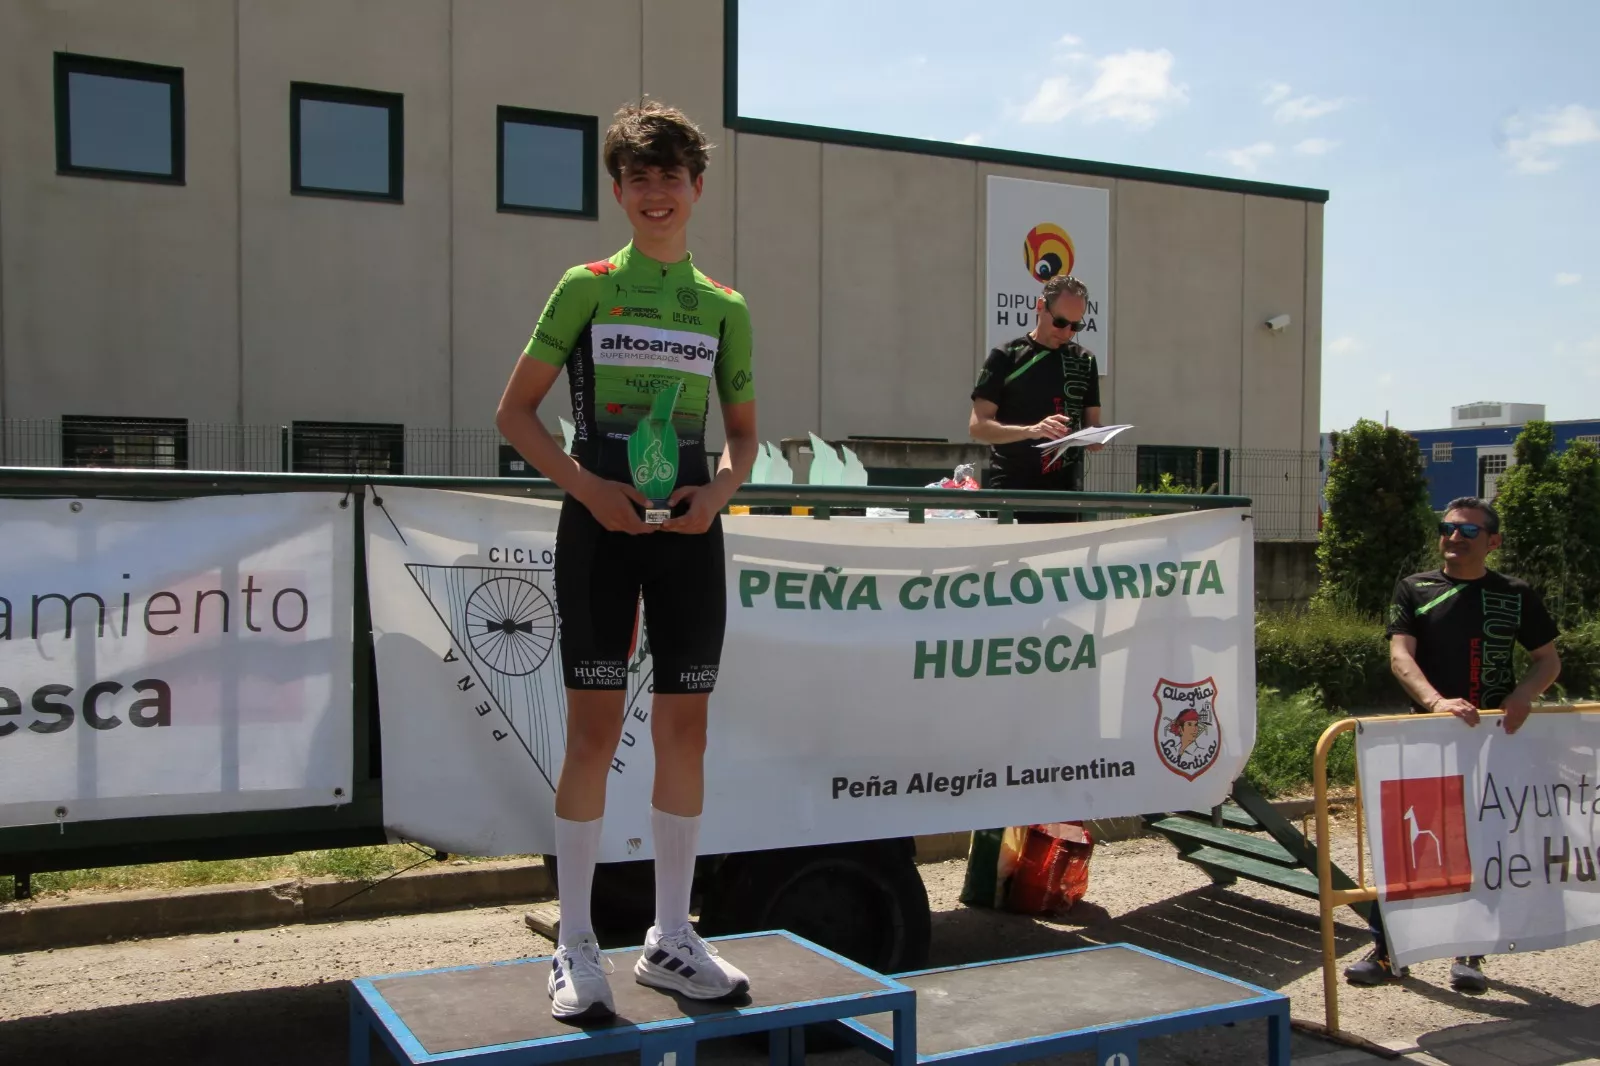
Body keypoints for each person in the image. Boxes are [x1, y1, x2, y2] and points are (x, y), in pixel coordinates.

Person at [495, 99, 759, 1022]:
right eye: (638, 178)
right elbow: (515, 413)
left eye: (670, 177)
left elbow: (743, 435)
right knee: (593, 738)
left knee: (687, 734)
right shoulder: (587, 286)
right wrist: (586, 486)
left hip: (689, 537)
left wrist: (716, 495)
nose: (656, 193)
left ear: (697, 188)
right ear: (618, 190)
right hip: (598, 529)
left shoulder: (724, 306)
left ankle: (670, 938)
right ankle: (574, 943)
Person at [1344, 496, 1561, 993]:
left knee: (1485, 844)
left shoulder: (1515, 593)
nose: (1454, 537)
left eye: (1468, 531)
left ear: (1493, 541)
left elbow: (1548, 660)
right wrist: (1436, 702)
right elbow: (1400, 655)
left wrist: (1523, 695)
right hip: (1427, 738)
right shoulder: (1415, 587)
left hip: (1493, 743)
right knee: (1411, 846)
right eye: (1447, 528)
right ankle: (1388, 952)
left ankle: (1471, 953)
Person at [969, 273, 1103, 523]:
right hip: (1012, 490)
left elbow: (1092, 422)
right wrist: (1032, 431)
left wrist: (1095, 437)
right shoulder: (1006, 356)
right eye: (1060, 322)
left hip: (1065, 493)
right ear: (1040, 306)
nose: (1067, 333)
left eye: (1076, 326)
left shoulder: (1085, 360)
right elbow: (978, 427)